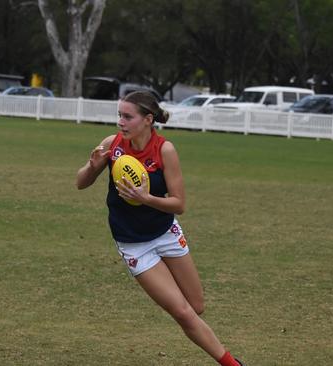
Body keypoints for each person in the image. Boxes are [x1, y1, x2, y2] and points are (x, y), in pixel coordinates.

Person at [76, 91, 245, 365]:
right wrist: (93, 168)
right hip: (134, 244)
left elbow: (179, 204)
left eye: (128, 116)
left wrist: (146, 199)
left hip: (166, 233)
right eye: (119, 115)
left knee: (196, 306)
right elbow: (80, 183)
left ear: (148, 119)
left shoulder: (164, 149)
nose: (121, 121)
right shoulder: (112, 144)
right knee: (183, 312)